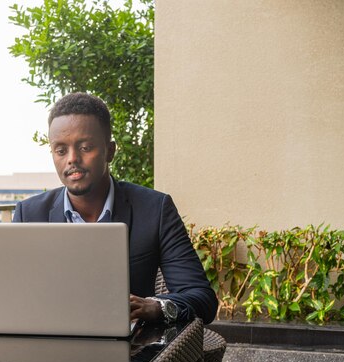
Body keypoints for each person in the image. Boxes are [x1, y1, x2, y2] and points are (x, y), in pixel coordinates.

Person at [13, 92, 217, 324]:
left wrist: (156, 307)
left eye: (85, 147)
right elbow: (13, 297)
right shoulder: (29, 214)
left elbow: (202, 298)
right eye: (61, 150)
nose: (72, 159)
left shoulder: (155, 209)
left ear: (110, 151)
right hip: (47, 349)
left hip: (130, 352)